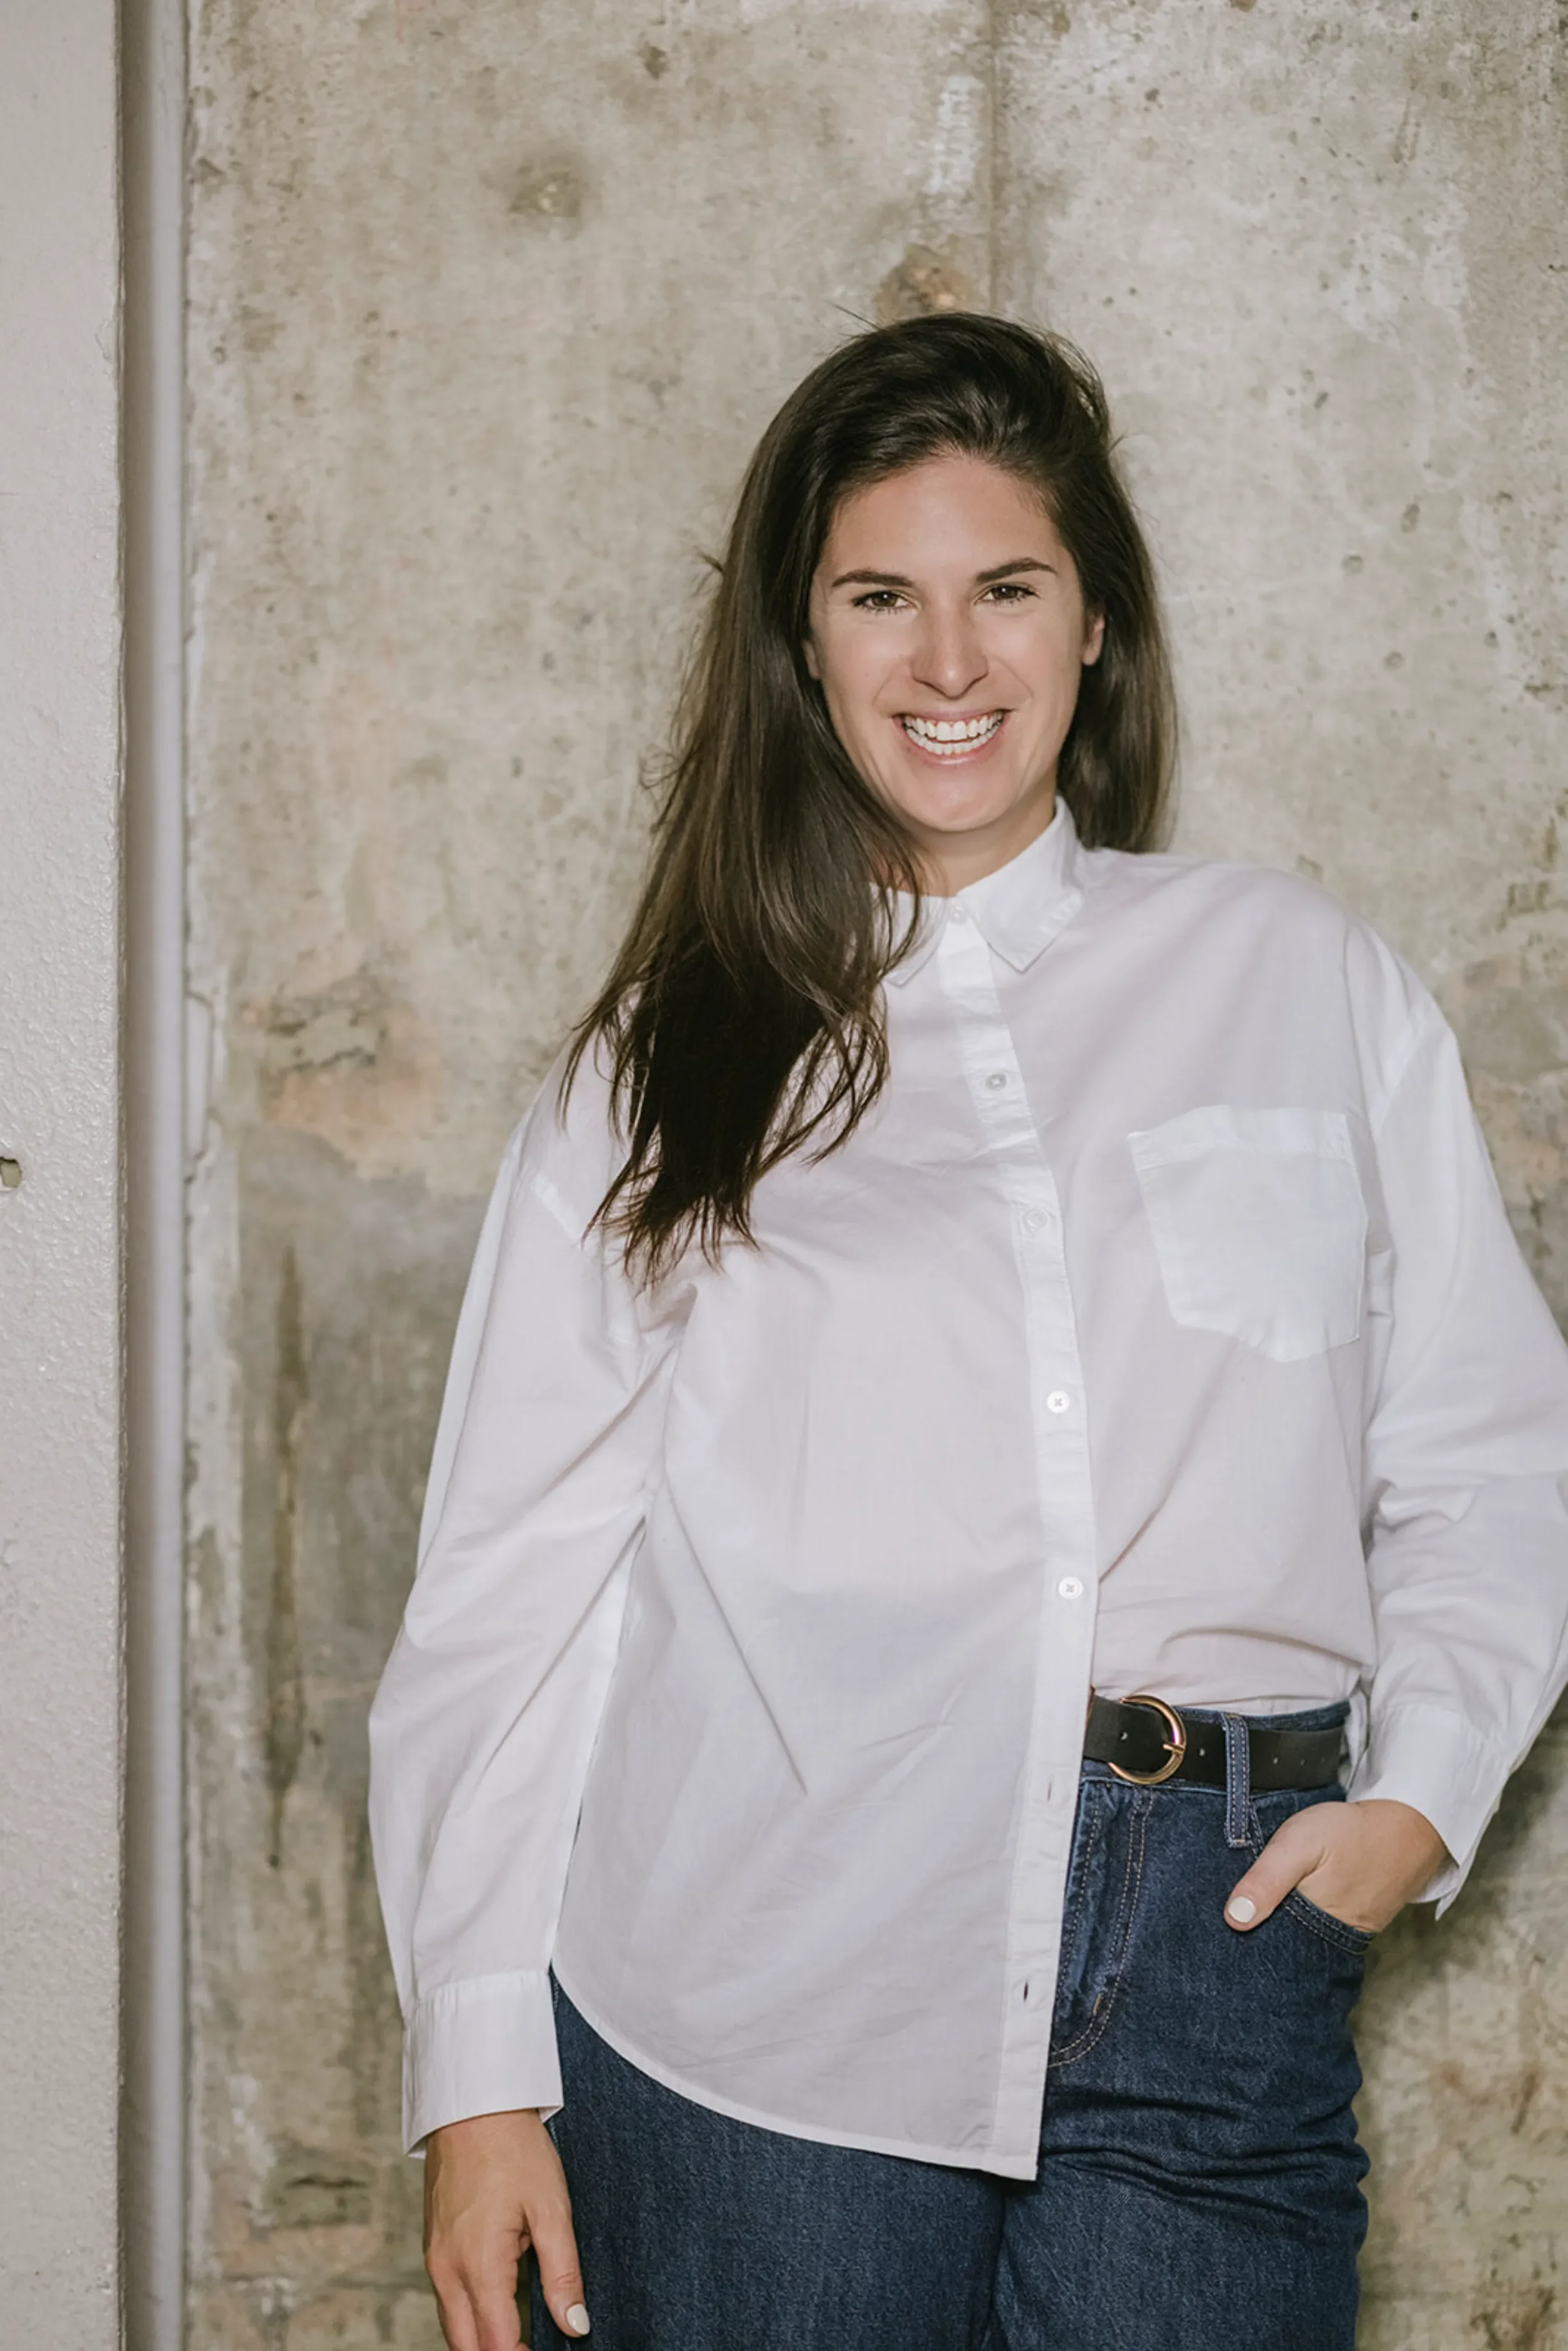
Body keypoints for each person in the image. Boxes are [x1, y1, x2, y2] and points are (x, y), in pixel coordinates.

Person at [368, 314, 1568, 2351]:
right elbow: (511, 1588)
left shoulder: (1299, 982)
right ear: (803, 642)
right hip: (764, 1996)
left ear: (1092, 617)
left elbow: (1480, 1442)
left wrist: (1419, 1798)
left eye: (1004, 589)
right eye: (878, 598)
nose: (947, 661)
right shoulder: (659, 1068)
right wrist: (479, 2079)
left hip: (1219, 1951)